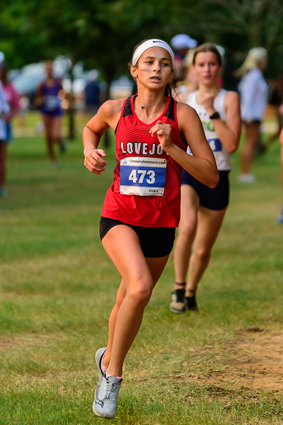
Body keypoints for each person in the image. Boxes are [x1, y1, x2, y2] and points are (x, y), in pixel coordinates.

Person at [82, 39, 219, 419]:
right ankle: (113, 376)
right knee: (140, 287)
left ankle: (107, 356)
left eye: (164, 63)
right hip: (118, 216)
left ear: (172, 72)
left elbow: (209, 176)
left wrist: (174, 148)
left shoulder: (185, 115)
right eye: (148, 62)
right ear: (134, 70)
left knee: (128, 296)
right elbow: (90, 130)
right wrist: (88, 150)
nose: (156, 68)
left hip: (161, 223)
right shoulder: (114, 109)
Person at [169, 43, 241, 314]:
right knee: (186, 227)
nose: (207, 69)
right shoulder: (185, 98)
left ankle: (190, 291)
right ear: (194, 68)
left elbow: (232, 144)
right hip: (190, 172)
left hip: (219, 176)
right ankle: (177, 287)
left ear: (219, 68)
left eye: (212, 64)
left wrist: (212, 112)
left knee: (202, 249)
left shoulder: (229, 98)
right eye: (201, 64)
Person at [236, 47, 268, 183]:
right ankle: (245, 173)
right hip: (251, 116)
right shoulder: (253, 75)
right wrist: (248, 117)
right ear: (260, 60)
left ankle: (247, 172)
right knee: (249, 143)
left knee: (252, 142)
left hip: (255, 115)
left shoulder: (255, 75)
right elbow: (247, 97)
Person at [34, 60, 65, 166]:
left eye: (50, 68)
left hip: (56, 111)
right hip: (46, 111)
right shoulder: (41, 84)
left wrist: (64, 99)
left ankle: (61, 142)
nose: (49, 70)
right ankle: (53, 159)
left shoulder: (58, 82)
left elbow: (63, 93)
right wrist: (40, 100)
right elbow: (36, 100)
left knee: (55, 135)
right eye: (47, 68)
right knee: (48, 137)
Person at [0, 60, 20, 198]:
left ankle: (1, 187)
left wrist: (7, 116)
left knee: (2, 159)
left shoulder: (8, 86)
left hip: (3, 126)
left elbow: (12, 107)